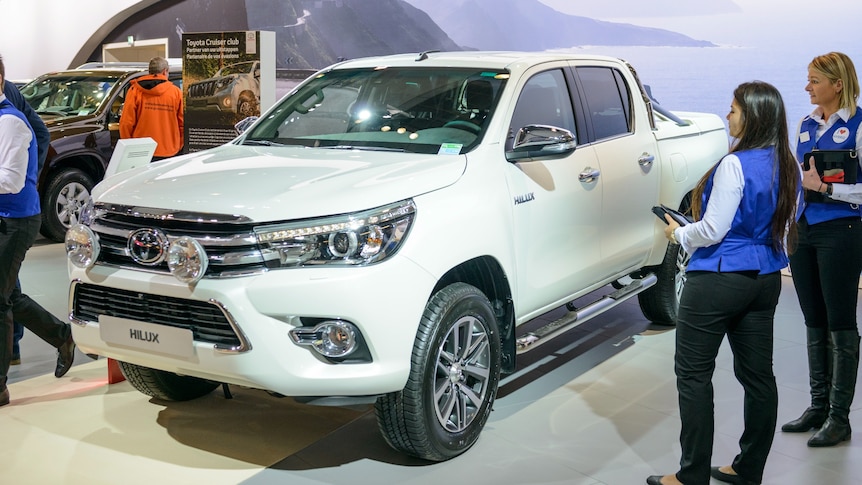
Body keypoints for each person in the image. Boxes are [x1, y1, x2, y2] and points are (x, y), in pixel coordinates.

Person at [647, 81, 801, 485]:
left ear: (752, 115)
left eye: (733, 109)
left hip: (718, 279)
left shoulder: (735, 164)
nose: (728, 115)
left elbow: (713, 229)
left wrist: (678, 234)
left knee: (694, 376)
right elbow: (787, 218)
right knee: (759, 378)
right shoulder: (786, 163)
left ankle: (692, 474)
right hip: (765, 277)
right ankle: (748, 469)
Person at [781, 51, 862, 448]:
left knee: (840, 321)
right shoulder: (805, 124)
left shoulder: (860, 126)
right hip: (804, 231)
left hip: (843, 230)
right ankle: (818, 405)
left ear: (838, 84)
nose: (807, 87)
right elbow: (799, 179)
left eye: (814, 80)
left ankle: (839, 417)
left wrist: (829, 189)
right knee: (813, 318)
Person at [1, 54, 76, 407]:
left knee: (1, 301)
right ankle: (62, 336)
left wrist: (32, 177)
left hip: (14, 219)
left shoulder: (11, 121)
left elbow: (12, 180)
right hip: (7, 215)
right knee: (7, 296)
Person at [3, 76, 50, 365]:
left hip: (13, 212)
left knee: (5, 292)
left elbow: (40, 134)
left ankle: (13, 348)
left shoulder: (10, 114)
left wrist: (28, 177)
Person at [119, 56, 183, 160]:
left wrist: (129, 146)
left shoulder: (135, 90)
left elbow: (126, 123)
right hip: (169, 149)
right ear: (165, 71)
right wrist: (177, 145)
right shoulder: (176, 93)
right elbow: (182, 124)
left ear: (150, 71)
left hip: (140, 150)